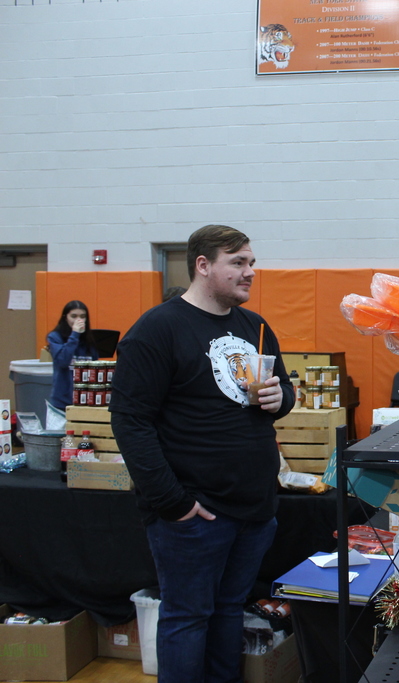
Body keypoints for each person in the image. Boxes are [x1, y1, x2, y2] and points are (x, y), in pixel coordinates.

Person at [110, 225, 296, 683]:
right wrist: (172, 503)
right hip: (196, 513)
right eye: (239, 262)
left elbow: (284, 390)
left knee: (228, 610)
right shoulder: (157, 330)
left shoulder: (255, 327)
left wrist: (281, 398)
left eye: (252, 262)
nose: (250, 272)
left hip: (254, 509)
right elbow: (130, 423)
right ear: (203, 265)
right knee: (188, 617)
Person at [46, 300, 98, 410]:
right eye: (73, 316)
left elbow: (95, 368)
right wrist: (74, 335)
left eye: (83, 316)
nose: (78, 320)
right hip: (62, 402)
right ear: (65, 317)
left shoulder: (90, 340)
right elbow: (63, 361)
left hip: (85, 401)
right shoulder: (55, 337)